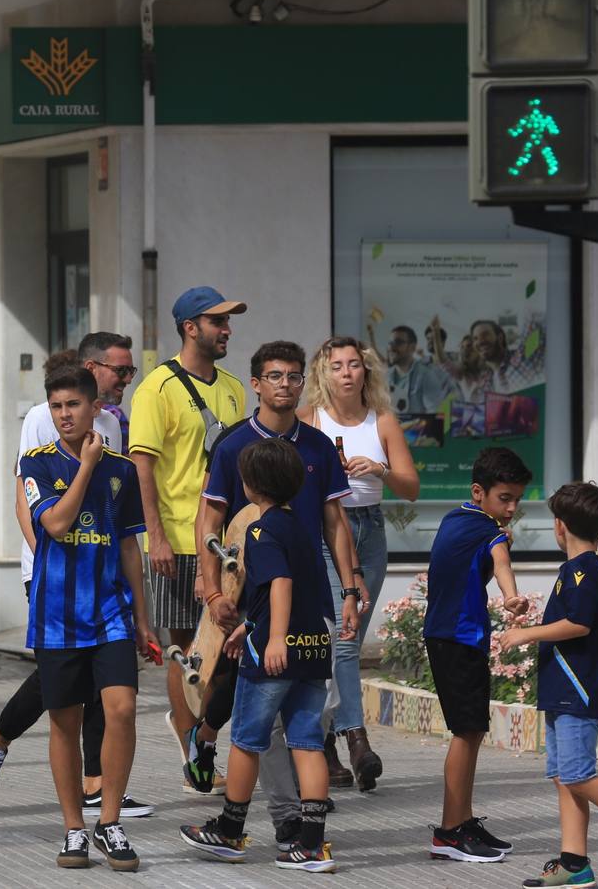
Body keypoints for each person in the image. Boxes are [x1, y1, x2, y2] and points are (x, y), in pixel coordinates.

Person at [0, 335, 154, 819]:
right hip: (53, 581)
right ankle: (0, 737)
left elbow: (124, 533)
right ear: (96, 367)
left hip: (108, 592)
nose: (125, 378)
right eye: (120, 369)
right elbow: (33, 505)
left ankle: (98, 785)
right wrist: (49, 558)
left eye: (129, 371)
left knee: (113, 698)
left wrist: (143, 615)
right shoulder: (39, 426)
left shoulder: (113, 431)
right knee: (58, 694)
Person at [191, 341, 362, 847]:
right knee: (266, 716)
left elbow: (335, 521)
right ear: (257, 384)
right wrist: (212, 591)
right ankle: (295, 824)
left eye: (293, 376)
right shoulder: (232, 446)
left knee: (266, 719)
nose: (285, 384)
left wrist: (350, 587)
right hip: (249, 592)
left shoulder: (317, 446)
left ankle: (263, 824)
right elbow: (209, 520)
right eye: (275, 376)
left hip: (299, 600)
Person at [17, 366, 156, 872]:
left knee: (121, 709)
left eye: (73, 405)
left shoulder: (121, 470)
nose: (64, 415)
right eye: (56, 407)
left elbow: (129, 547)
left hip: (111, 614)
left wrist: (144, 618)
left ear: (95, 406)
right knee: (65, 722)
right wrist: (85, 467)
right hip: (57, 617)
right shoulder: (35, 463)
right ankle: (74, 828)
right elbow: (54, 523)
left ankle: (110, 822)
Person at [181, 439, 341, 873]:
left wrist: (272, 639)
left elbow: (281, 584)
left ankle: (230, 829)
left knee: (247, 741)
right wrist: (252, 626)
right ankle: (312, 844)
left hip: (277, 652)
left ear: (250, 486)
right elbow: (299, 589)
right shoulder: (299, 528)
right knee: (307, 741)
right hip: (313, 649)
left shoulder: (259, 530)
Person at [128, 286, 247, 785]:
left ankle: (206, 735)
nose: (227, 329)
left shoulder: (235, 388)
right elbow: (142, 467)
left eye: (228, 320)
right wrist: (154, 536)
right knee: (188, 654)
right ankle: (191, 753)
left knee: (227, 652)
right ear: (189, 327)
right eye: (217, 321)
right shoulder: (157, 388)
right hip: (176, 541)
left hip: (225, 542)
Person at [299, 337, 419, 791]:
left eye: (354, 365)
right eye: (336, 366)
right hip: (329, 529)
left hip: (370, 529)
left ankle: (324, 743)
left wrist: (380, 469)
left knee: (342, 643)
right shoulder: (311, 419)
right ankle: (357, 739)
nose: (346, 373)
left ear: (366, 371)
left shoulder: (382, 420)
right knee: (343, 641)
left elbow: (411, 488)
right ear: (323, 374)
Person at [498, 483, 598, 888]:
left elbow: (579, 623)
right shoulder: (574, 569)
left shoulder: (586, 570)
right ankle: (574, 864)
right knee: (564, 775)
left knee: (577, 774)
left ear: (559, 526)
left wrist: (526, 634)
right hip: (562, 690)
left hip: (578, 690)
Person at [423, 446, 531, 863]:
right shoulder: (488, 529)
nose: (512, 507)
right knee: (466, 733)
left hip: (450, 636)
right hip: (457, 638)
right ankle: (449, 832)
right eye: (505, 498)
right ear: (479, 492)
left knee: (471, 732)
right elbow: (500, 559)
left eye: (518, 499)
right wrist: (511, 598)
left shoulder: (457, 517)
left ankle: (463, 821)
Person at [380, 325, 453, 415]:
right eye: (390, 343)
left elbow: (435, 416)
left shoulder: (426, 376)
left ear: (412, 347)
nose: (391, 348)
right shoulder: (385, 376)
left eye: (398, 342)